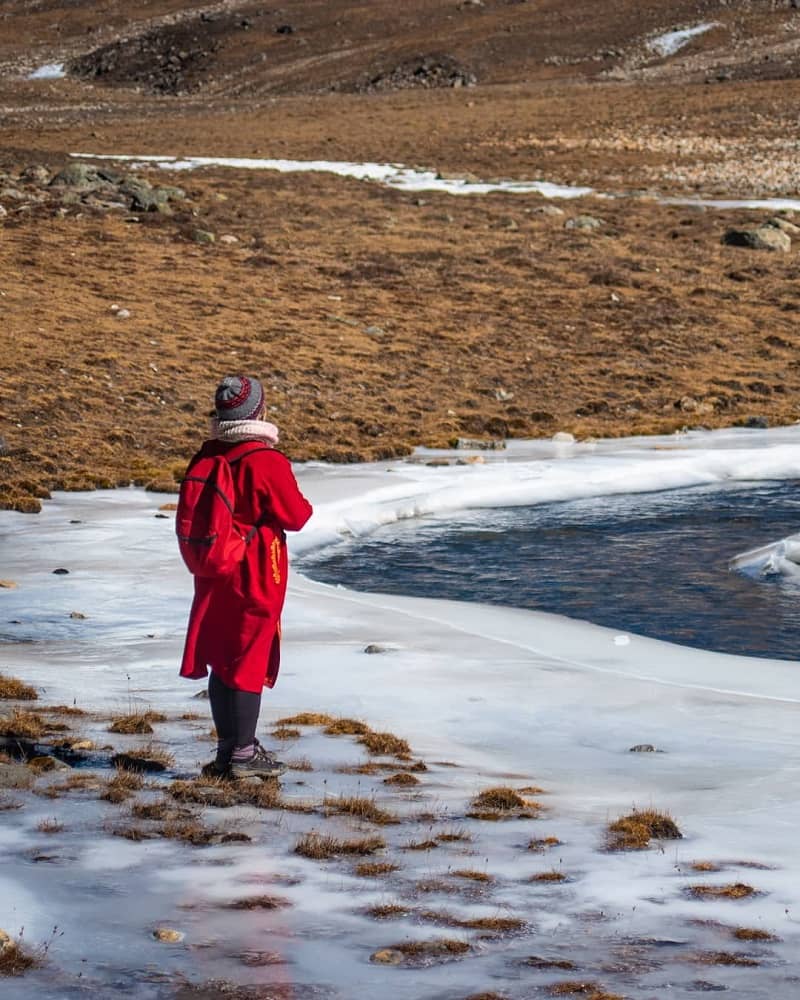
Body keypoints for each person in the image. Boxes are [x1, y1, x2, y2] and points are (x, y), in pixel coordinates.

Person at [179, 375, 313, 779]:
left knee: (223, 657)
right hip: (254, 569)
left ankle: (228, 749)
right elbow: (297, 515)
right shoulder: (266, 461)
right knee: (249, 657)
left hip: (214, 567)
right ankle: (243, 754)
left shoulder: (206, 455)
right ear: (257, 412)